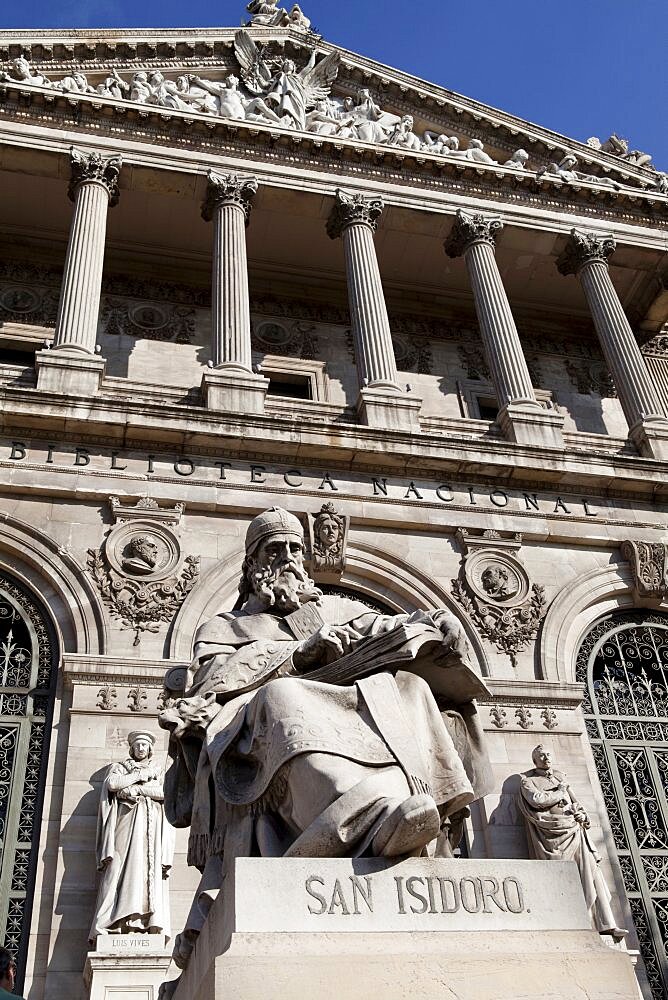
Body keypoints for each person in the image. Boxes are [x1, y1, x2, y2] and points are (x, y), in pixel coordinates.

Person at [160, 506, 491, 969]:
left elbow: (372, 628)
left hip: (339, 704)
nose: (290, 558)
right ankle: (365, 813)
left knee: (411, 687)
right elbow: (212, 687)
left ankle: (419, 805)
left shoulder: (325, 611)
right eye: (276, 549)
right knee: (282, 695)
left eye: (296, 548)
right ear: (253, 563)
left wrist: (431, 623)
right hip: (251, 725)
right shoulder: (223, 627)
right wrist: (297, 658)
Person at [519, 745, 626, 940]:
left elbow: (576, 802)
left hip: (575, 830)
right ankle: (577, 922)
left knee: (593, 874)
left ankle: (606, 924)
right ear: (535, 761)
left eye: (548, 754)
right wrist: (560, 791)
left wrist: (583, 815)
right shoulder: (528, 781)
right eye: (541, 755)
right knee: (564, 881)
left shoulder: (561, 777)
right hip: (554, 836)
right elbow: (537, 800)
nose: (546, 757)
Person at [89, 731, 175, 942]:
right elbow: (113, 784)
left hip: (150, 831)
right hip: (125, 826)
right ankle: (111, 922)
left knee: (146, 872)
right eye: (138, 744)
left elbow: (164, 793)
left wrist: (137, 791)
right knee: (117, 869)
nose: (141, 748)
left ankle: (144, 923)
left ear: (150, 748)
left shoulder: (157, 770)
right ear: (132, 748)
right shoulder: (120, 768)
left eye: (145, 744)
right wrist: (138, 778)